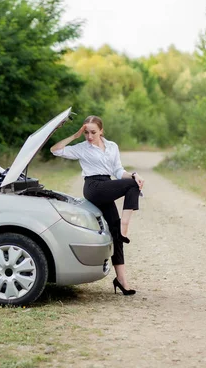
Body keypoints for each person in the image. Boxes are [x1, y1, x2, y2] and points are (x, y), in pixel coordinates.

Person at [50, 115, 144, 296]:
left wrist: (133, 174)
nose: (89, 136)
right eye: (86, 132)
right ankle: (125, 226)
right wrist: (75, 136)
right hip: (93, 187)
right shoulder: (82, 148)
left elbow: (118, 171)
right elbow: (55, 149)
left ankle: (121, 280)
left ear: (101, 131)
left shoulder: (112, 147)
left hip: (107, 184)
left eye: (93, 132)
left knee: (133, 182)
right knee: (132, 184)